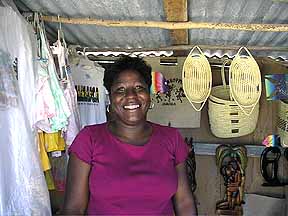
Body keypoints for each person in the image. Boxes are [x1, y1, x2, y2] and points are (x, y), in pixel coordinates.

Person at [62, 56, 197, 215]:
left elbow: (184, 202)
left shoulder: (171, 138)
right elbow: (74, 208)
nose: (131, 95)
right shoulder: (89, 139)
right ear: (110, 98)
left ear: (149, 94)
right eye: (120, 89)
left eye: (139, 87)